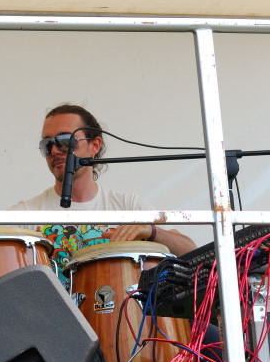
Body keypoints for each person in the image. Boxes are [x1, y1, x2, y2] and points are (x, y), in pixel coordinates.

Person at [10, 103, 196, 276]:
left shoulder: (127, 205)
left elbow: (192, 254)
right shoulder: (27, 212)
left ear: (95, 145)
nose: (55, 151)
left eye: (65, 141)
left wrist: (152, 231)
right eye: (47, 144)